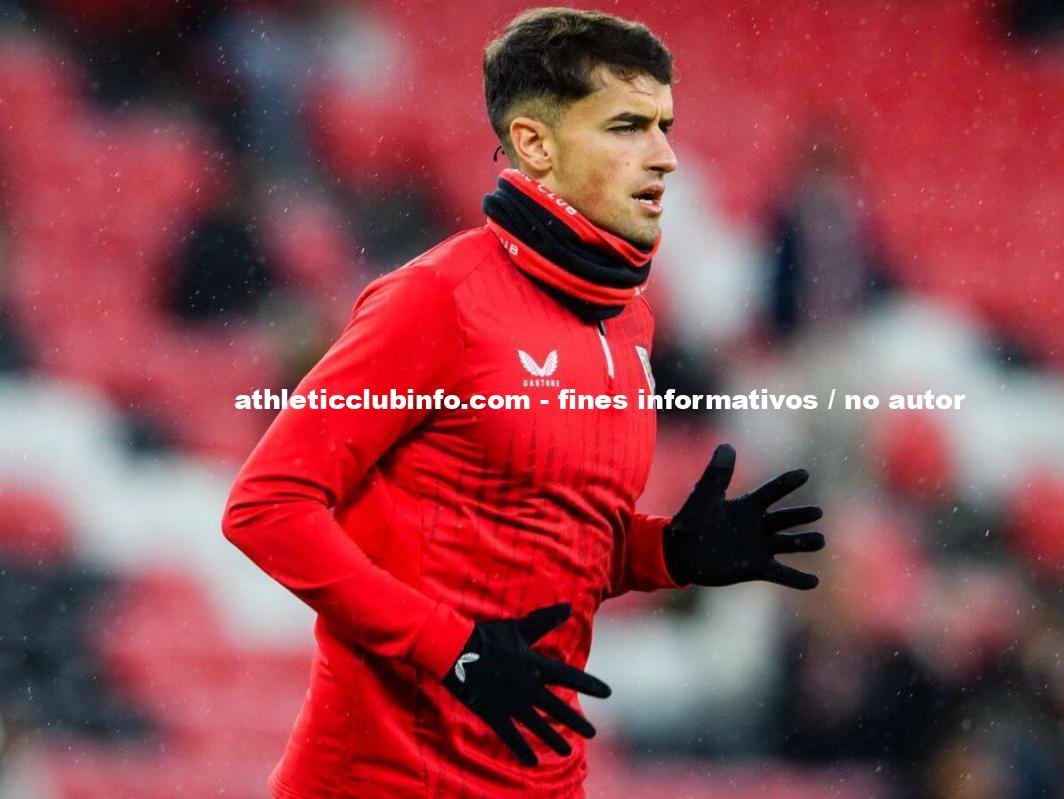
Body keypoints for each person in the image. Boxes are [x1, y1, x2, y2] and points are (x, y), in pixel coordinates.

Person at [221, 8, 825, 798]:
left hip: (543, 779)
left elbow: (527, 533)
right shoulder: (435, 300)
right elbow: (266, 507)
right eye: (626, 126)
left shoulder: (629, 323)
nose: (665, 156)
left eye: (663, 127)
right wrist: (451, 646)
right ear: (536, 144)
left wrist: (664, 553)